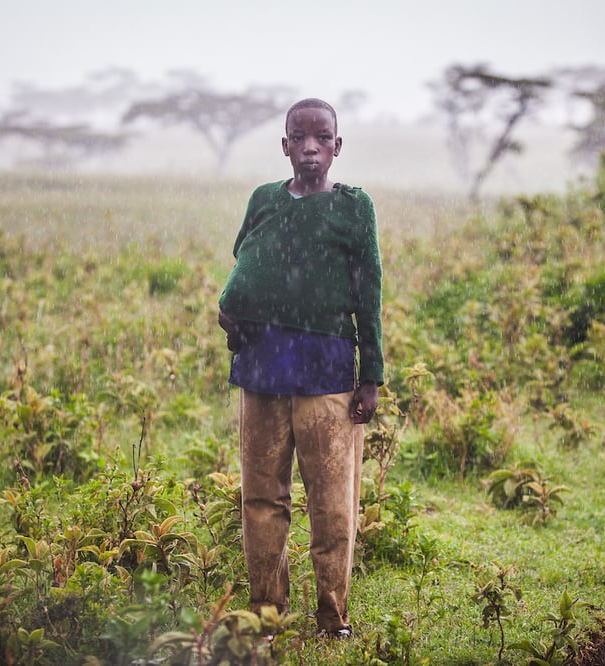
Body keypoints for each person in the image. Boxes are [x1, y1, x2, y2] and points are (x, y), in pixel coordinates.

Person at [217, 98, 383, 640]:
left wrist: (370, 374)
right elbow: (246, 262)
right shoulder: (264, 200)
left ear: (337, 146)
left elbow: (369, 294)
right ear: (284, 145)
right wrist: (233, 316)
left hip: (327, 373)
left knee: (333, 505)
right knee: (262, 499)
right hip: (262, 371)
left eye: (322, 137)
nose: (310, 147)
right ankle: (267, 616)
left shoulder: (354, 209)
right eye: (299, 137)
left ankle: (333, 617)